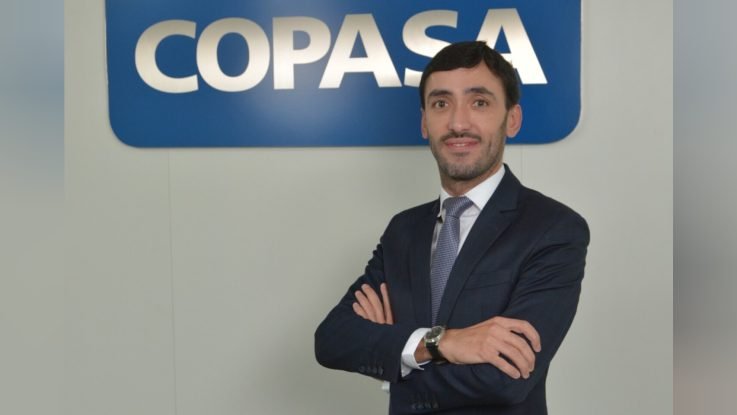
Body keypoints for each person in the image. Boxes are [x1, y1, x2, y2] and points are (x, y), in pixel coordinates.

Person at [314, 41, 589, 414]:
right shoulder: (404, 230)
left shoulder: (553, 229)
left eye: (479, 102)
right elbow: (332, 340)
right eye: (441, 104)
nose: (458, 123)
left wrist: (397, 357)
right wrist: (443, 342)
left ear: (512, 119)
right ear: (424, 123)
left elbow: (506, 380)